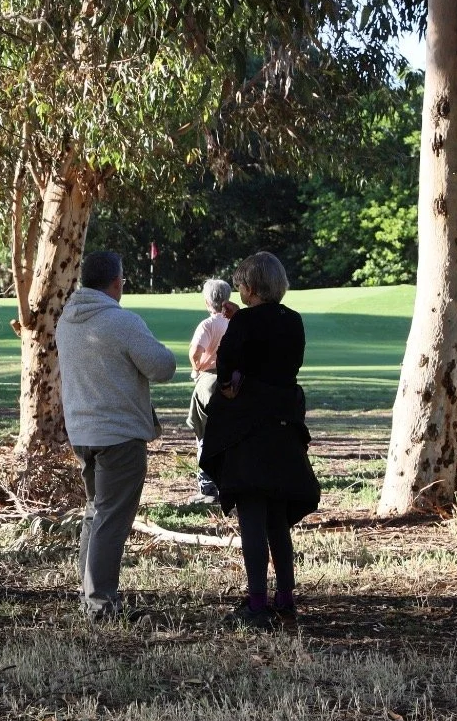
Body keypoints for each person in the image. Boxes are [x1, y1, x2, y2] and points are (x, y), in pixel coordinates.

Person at [200, 251, 321, 629]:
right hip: (284, 425)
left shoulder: (245, 322)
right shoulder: (294, 321)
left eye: (241, 286)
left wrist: (226, 385)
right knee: (277, 521)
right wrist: (243, 321)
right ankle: (286, 598)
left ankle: (256, 603)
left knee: (251, 517)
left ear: (250, 288)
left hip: (247, 428)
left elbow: (229, 362)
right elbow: (273, 352)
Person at [56, 252, 177, 620]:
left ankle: (90, 594)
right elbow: (163, 367)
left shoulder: (66, 320)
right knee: (111, 519)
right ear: (117, 282)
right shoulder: (122, 321)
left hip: (82, 432)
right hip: (119, 434)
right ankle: (101, 605)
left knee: (96, 513)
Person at [185, 279, 235, 503]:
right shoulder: (235, 323)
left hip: (210, 380)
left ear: (207, 301)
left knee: (205, 434)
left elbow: (196, 351)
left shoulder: (208, 325)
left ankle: (207, 487)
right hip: (234, 382)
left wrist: (196, 367)